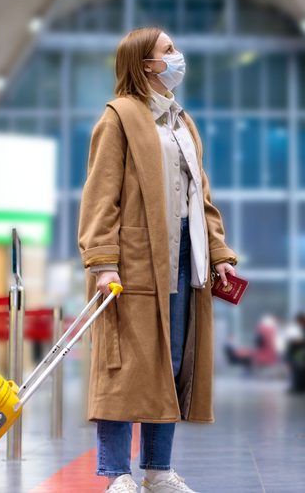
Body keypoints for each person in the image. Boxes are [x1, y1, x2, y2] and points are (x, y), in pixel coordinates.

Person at [78, 27, 238, 493]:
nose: (177, 56)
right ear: (146, 64)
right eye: (168, 50)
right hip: (131, 265)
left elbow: (200, 197)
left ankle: (157, 470)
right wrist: (103, 261)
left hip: (185, 261)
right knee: (124, 366)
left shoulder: (181, 122)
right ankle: (115, 474)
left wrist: (220, 254)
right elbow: (99, 197)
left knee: (167, 366)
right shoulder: (119, 117)